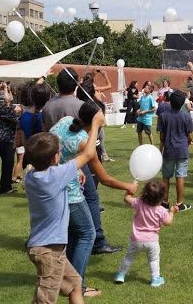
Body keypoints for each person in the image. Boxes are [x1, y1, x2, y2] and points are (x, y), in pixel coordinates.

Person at [51, 101, 137, 298]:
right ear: (96, 117)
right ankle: (77, 288)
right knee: (88, 235)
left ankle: (67, 281)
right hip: (70, 195)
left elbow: (58, 147)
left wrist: (77, 167)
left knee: (74, 236)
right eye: (101, 115)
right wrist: (129, 187)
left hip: (54, 189)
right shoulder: (83, 141)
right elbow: (104, 179)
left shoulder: (65, 121)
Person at [23, 109, 103, 304]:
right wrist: (95, 124)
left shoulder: (32, 176)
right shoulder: (57, 176)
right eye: (59, 152)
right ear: (56, 158)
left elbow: (47, 169)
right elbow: (89, 153)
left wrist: (73, 173)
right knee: (44, 300)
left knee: (75, 284)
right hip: (49, 250)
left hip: (43, 247)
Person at [42, 68, 122, 256]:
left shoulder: (47, 107)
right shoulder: (81, 105)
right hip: (78, 160)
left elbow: (45, 136)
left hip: (55, 164)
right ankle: (97, 241)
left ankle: (68, 241)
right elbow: (91, 143)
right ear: (76, 84)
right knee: (91, 198)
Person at [114, 180, 176, 288]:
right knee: (154, 260)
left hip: (136, 239)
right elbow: (168, 222)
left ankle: (121, 275)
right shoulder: (161, 210)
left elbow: (126, 199)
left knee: (129, 258)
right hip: (152, 241)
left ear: (144, 193)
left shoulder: (139, 202)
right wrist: (171, 212)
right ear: (162, 197)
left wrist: (131, 189)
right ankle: (155, 279)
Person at [159, 90, 193, 212]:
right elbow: (190, 136)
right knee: (180, 176)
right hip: (182, 149)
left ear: (170, 102)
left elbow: (162, 137)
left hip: (168, 149)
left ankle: (164, 202)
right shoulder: (186, 116)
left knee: (166, 177)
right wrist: (188, 142)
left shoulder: (163, 115)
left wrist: (160, 149)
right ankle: (179, 204)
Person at [14, 81, 51, 181]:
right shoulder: (46, 117)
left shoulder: (24, 117)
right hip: (44, 157)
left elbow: (23, 142)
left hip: (29, 157)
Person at [0, 83, 21, 194]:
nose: (10, 94)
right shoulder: (6, 110)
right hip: (5, 140)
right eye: (8, 93)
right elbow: (18, 121)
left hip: (2, 139)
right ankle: (5, 188)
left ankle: (6, 185)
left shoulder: (3, 108)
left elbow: (9, 99)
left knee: (7, 163)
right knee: (8, 163)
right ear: (5, 100)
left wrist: (5, 88)